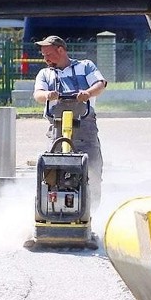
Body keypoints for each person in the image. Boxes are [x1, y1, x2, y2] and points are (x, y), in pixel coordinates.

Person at [33, 35, 107, 206]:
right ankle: (52, 205)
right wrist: (48, 95)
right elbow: (38, 94)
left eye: (49, 54)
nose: (46, 59)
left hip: (84, 123)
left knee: (92, 164)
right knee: (53, 165)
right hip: (57, 124)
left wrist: (87, 93)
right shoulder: (45, 73)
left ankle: (93, 207)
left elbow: (100, 84)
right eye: (43, 55)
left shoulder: (85, 66)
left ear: (61, 50)